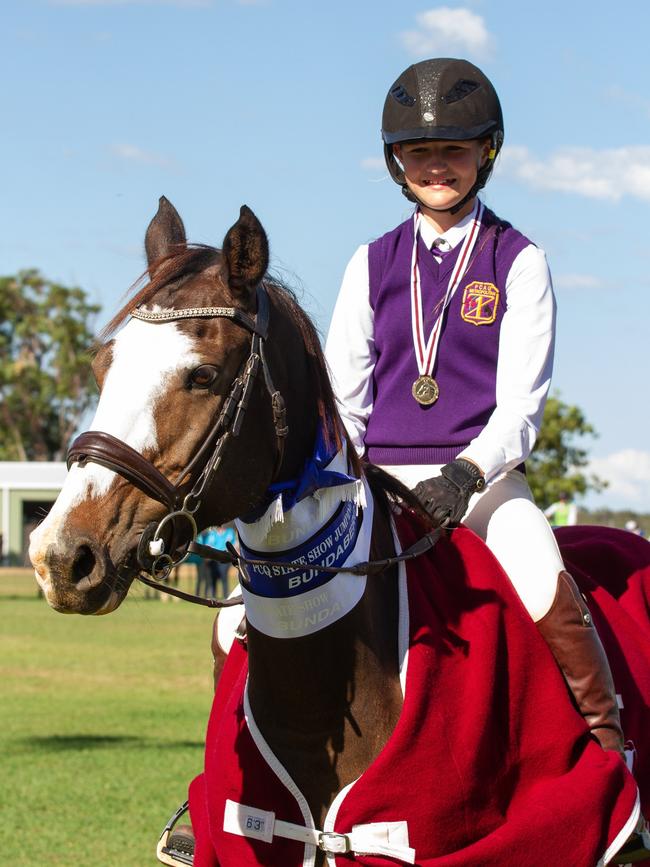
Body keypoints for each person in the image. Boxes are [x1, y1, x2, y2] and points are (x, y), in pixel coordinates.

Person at [325, 57, 624, 756]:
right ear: (395, 160)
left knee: (542, 576)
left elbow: (521, 406)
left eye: (453, 149)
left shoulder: (518, 259)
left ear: (486, 152)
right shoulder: (369, 262)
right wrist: (347, 483)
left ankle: (612, 758)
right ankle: (235, 770)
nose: (436, 166)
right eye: (418, 152)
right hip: (378, 484)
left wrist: (463, 476)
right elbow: (345, 395)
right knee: (257, 607)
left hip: (483, 484)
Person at [196, 525, 237, 599]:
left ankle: (225, 596)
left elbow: (234, 544)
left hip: (226, 557)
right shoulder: (212, 533)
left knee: (223, 575)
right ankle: (213, 596)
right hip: (214, 558)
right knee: (213, 577)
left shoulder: (230, 532)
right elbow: (209, 544)